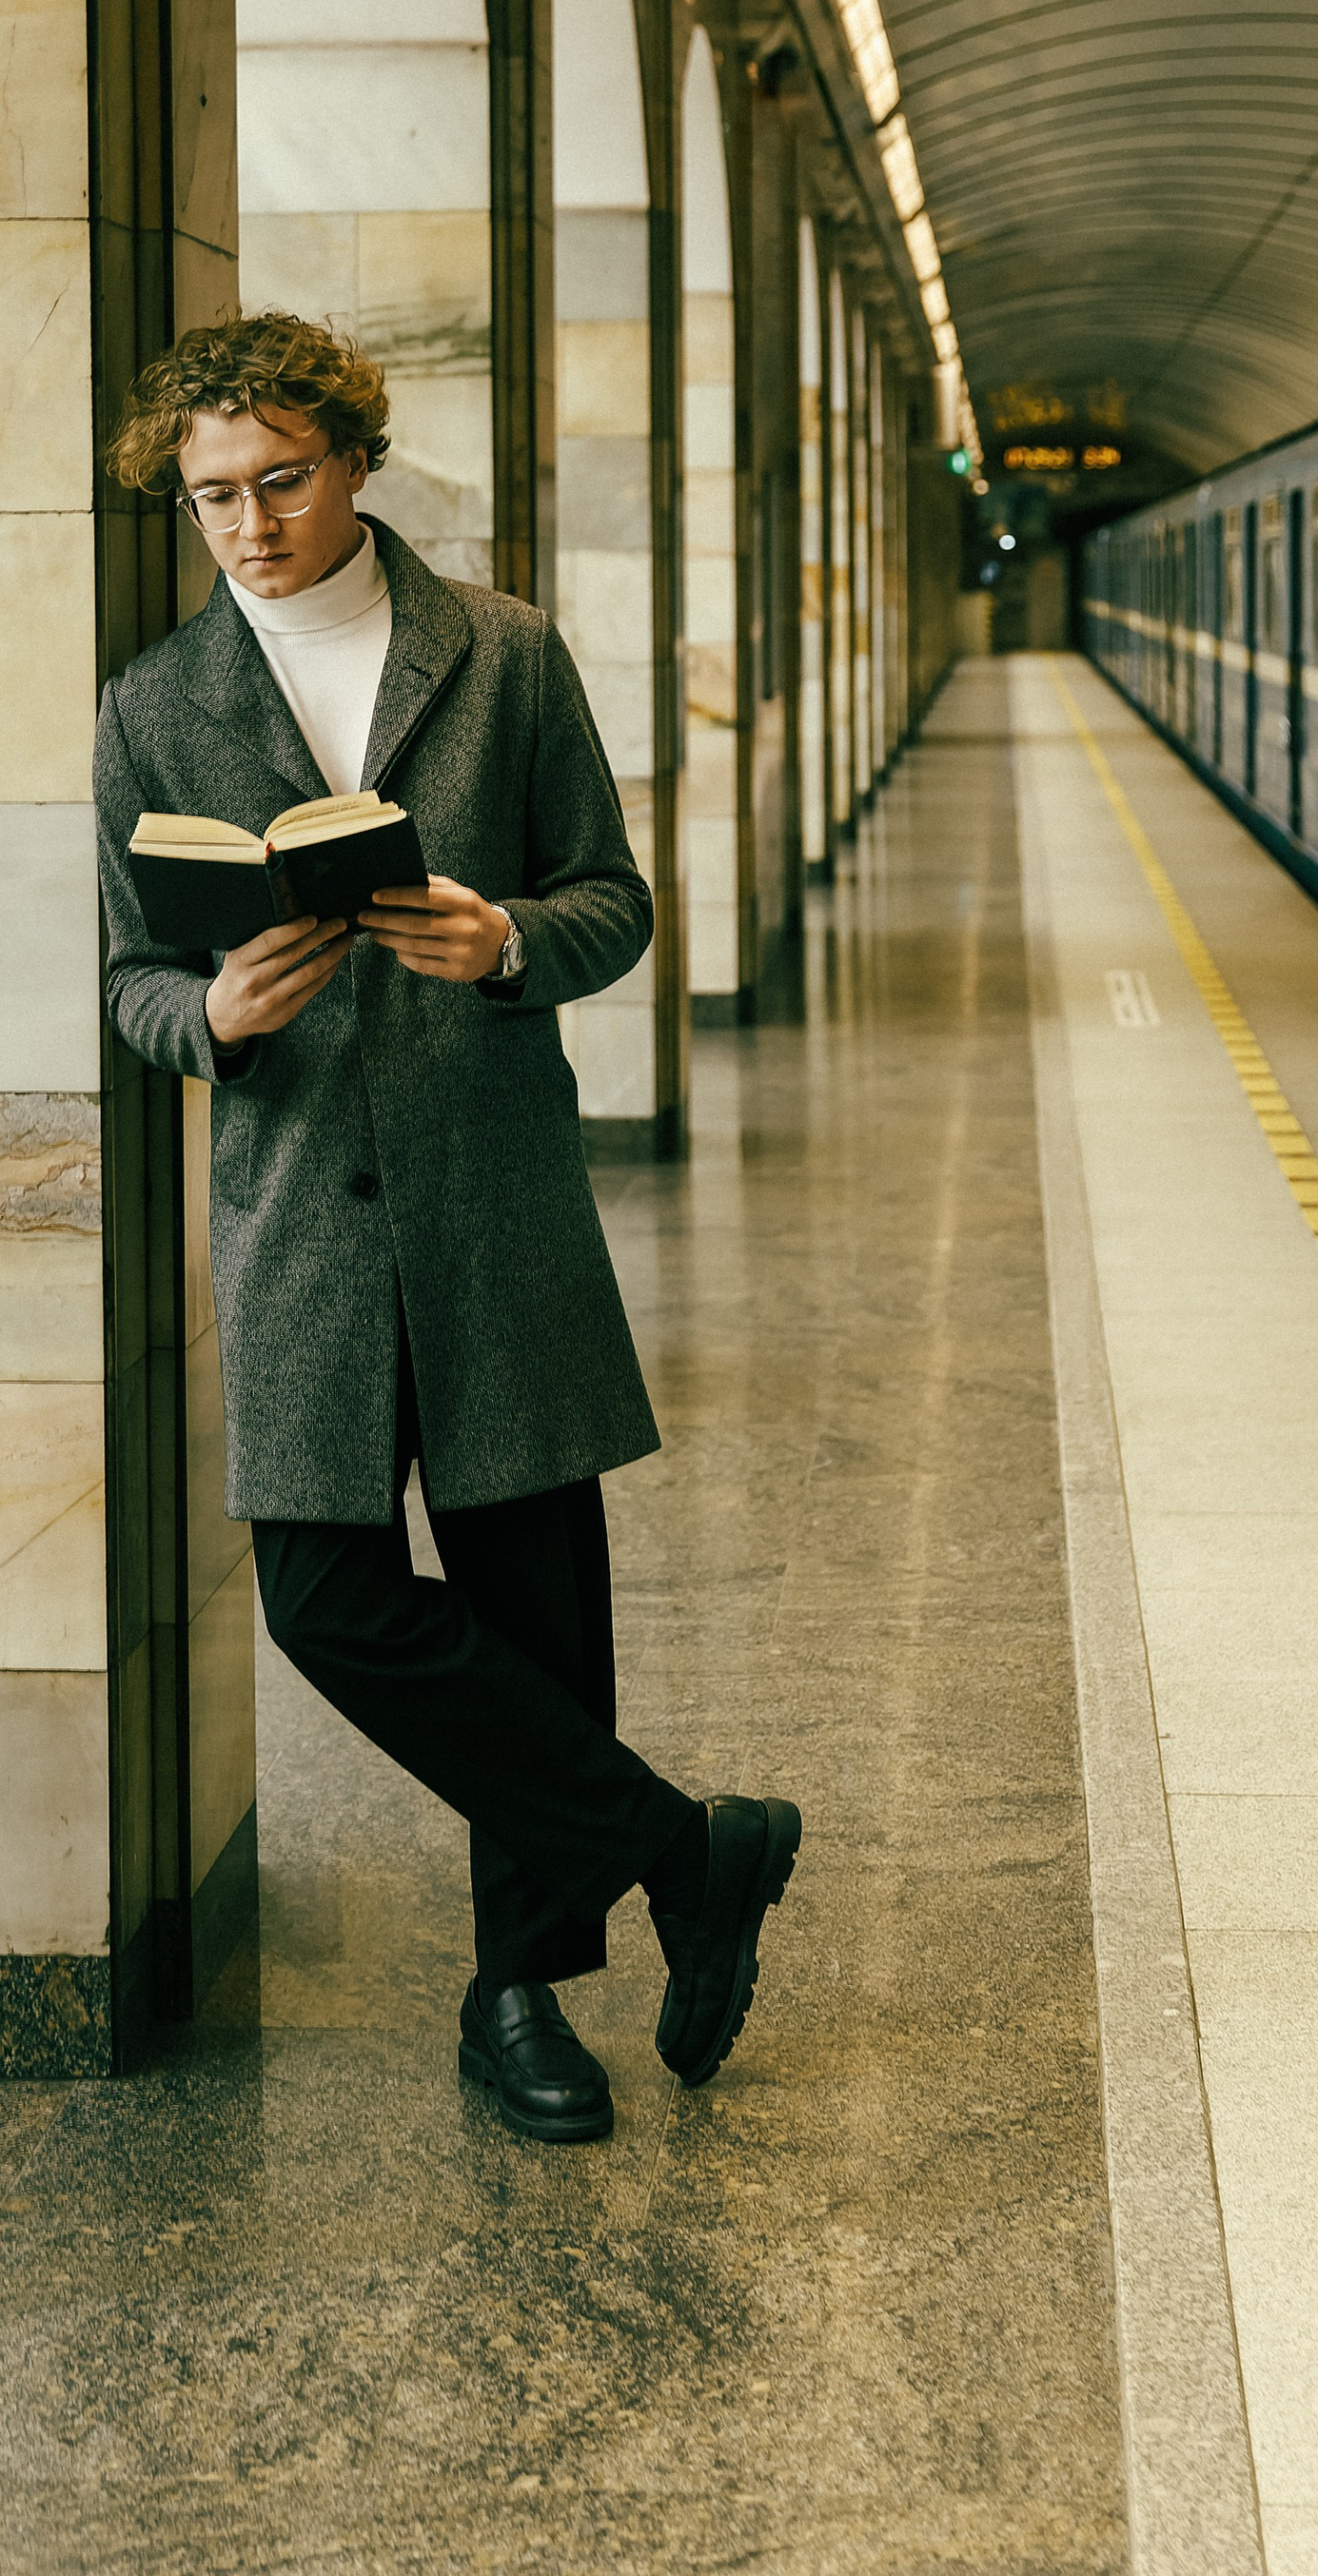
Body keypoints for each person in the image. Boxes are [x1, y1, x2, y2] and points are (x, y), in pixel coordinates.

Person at [92, 313, 798, 2142]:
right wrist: (210, 1014)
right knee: (327, 1603)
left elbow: (612, 901)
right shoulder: (155, 705)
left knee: (535, 1613)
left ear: (354, 459)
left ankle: (520, 1998)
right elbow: (129, 976)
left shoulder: (503, 652)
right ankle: (688, 1850)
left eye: (280, 481)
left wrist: (506, 944)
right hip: (296, 1216)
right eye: (210, 498)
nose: (248, 527)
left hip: (494, 1197)